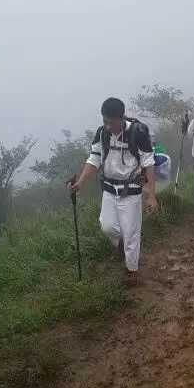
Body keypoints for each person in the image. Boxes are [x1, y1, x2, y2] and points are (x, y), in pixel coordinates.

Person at [68, 97, 158, 279]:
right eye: (106, 121)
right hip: (109, 189)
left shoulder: (137, 133)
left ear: (121, 117)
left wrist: (152, 196)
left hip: (131, 190)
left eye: (112, 122)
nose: (109, 126)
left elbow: (149, 164)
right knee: (107, 227)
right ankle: (123, 244)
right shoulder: (102, 134)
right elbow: (94, 159)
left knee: (131, 233)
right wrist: (80, 183)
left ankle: (132, 270)